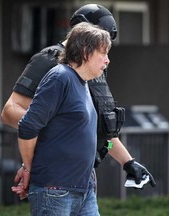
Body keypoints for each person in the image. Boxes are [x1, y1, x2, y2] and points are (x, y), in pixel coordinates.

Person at [1, 4, 155, 200]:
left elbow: (97, 127)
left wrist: (128, 162)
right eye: (100, 43)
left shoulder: (94, 68)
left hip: (85, 176)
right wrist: (58, 129)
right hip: (56, 176)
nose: (106, 55)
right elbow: (9, 112)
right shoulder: (49, 61)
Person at [18, 22, 111, 215]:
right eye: (104, 53)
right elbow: (27, 127)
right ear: (86, 51)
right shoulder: (60, 77)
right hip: (55, 191)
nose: (107, 60)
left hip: (84, 191)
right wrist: (28, 169)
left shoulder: (82, 82)